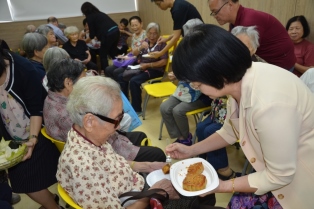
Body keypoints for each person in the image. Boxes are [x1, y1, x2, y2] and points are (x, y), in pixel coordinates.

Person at [166, 24, 314, 209]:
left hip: (297, 183)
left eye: (196, 85)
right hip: (269, 170)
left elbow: (280, 176)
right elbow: (231, 130)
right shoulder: (238, 83)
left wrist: (222, 186)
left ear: (216, 74)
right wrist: (192, 150)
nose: (198, 89)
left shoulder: (269, 105)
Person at [56, 76, 178, 209]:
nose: (119, 127)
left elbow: (111, 164)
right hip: (134, 200)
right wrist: (154, 193)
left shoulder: (87, 136)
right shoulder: (83, 167)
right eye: (117, 119)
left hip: (134, 188)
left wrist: (147, 166)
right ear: (89, 121)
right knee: (189, 200)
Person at [43, 58, 166, 165]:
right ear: (68, 83)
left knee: (140, 135)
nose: (86, 84)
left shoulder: (52, 99)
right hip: (103, 154)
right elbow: (101, 142)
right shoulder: (66, 115)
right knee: (158, 154)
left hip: (97, 143)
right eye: (83, 80)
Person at [0, 44, 61, 208]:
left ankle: (53, 206)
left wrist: (33, 139)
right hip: (11, 134)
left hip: (35, 129)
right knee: (24, 181)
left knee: (27, 181)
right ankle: (52, 201)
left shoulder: (23, 69)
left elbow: (36, 109)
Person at [208, 0, 296, 71]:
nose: (215, 16)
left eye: (215, 12)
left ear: (230, 5)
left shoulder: (248, 22)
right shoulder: (235, 21)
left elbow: (240, 56)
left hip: (280, 67)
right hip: (267, 63)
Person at [118, 22, 168, 114]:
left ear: (158, 33)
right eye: (150, 33)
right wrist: (141, 47)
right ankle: (126, 102)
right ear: (147, 33)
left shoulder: (162, 44)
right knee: (121, 77)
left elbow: (164, 62)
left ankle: (137, 110)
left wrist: (149, 65)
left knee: (134, 81)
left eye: (155, 33)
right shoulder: (145, 41)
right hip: (141, 67)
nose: (152, 36)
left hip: (155, 70)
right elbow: (134, 54)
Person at [160, 72, 211, 146]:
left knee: (178, 111)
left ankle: (185, 138)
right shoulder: (185, 61)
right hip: (183, 92)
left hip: (203, 97)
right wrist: (176, 75)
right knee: (164, 107)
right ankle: (180, 137)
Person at [105, 16, 147, 80]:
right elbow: (132, 51)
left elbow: (143, 53)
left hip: (138, 61)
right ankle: (113, 86)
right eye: (132, 26)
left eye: (136, 25)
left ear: (141, 24)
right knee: (108, 69)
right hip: (131, 59)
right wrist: (124, 56)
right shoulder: (134, 35)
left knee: (117, 72)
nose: (134, 27)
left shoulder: (146, 35)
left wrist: (129, 57)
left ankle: (120, 88)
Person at [81, 2, 120, 69]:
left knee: (103, 54)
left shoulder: (90, 17)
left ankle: (106, 72)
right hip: (116, 31)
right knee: (113, 53)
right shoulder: (100, 13)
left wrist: (85, 41)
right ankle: (118, 69)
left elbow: (92, 34)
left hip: (108, 34)